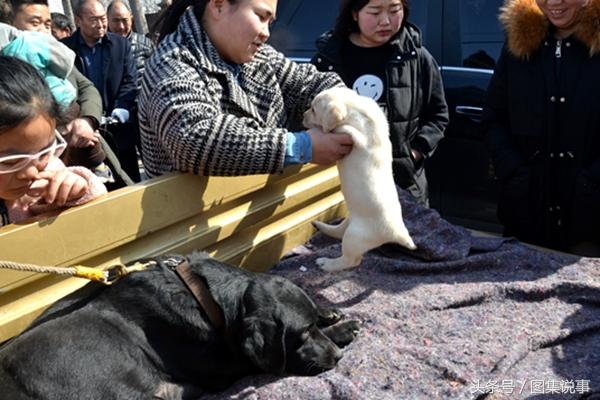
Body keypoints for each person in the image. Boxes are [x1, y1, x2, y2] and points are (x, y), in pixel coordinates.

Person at [138, 0, 354, 179]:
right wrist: (302, 146)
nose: (266, 32)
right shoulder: (170, 63)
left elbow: (311, 83)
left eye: (270, 22)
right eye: (260, 17)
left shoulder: (260, 58)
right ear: (219, 5)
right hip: (194, 224)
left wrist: (339, 107)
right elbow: (195, 137)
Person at [483, 0, 600, 257]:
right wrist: (515, 174)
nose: (554, 2)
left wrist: (591, 183)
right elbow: (493, 118)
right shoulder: (519, 41)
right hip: (526, 217)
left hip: (590, 225)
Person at [311, 0, 448, 207]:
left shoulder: (417, 58)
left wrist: (414, 154)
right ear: (355, 13)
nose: (385, 21)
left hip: (404, 186)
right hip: (341, 185)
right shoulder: (329, 59)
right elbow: (309, 116)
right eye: (375, 12)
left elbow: (438, 115)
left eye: (394, 10)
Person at [9, 0, 111, 182]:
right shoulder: (7, 70)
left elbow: (87, 88)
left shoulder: (56, 57)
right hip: (43, 169)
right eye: (34, 23)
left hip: (86, 145)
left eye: (47, 24)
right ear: (11, 24)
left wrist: (87, 121)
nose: (43, 31)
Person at [0, 55, 106, 227]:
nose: (31, 173)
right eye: (12, 161)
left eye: (44, 151)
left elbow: (99, 210)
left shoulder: (50, 173)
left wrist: (79, 190)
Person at [62, 0, 139, 182]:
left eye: (103, 18)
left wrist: (122, 106)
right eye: (94, 19)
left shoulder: (120, 45)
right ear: (78, 20)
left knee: (129, 182)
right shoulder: (64, 49)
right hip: (84, 135)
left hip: (118, 130)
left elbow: (129, 80)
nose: (101, 24)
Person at [107, 0, 155, 91]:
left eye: (124, 20)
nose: (121, 26)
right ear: (107, 20)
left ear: (131, 19)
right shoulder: (101, 47)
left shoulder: (145, 44)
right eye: (116, 21)